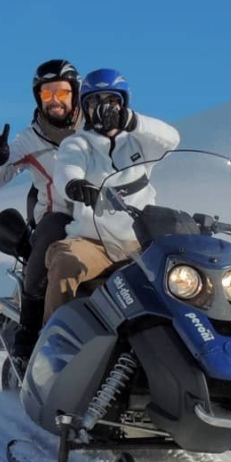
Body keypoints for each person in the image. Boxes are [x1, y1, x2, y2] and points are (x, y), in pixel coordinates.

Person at [44, 68, 181, 324]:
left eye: (112, 101)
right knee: (65, 262)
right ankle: (53, 347)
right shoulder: (77, 143)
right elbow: (67, 169)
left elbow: (172, 139)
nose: (104, 108)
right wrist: (76, 185)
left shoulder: (139, 141)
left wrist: (133, 122)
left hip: (140, 245)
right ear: (85, 107)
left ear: (123, 104)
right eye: (95, 101)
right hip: (92, 241)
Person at [0, 59, 83, 360]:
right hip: (58, 216)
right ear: (38, 97)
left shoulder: (94, 130)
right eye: (47, 94)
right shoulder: (30, 139)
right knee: (49, 238)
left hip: (100, 216)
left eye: (61, 93)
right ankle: (29, 331)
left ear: (75, 93)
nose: (54, 101)